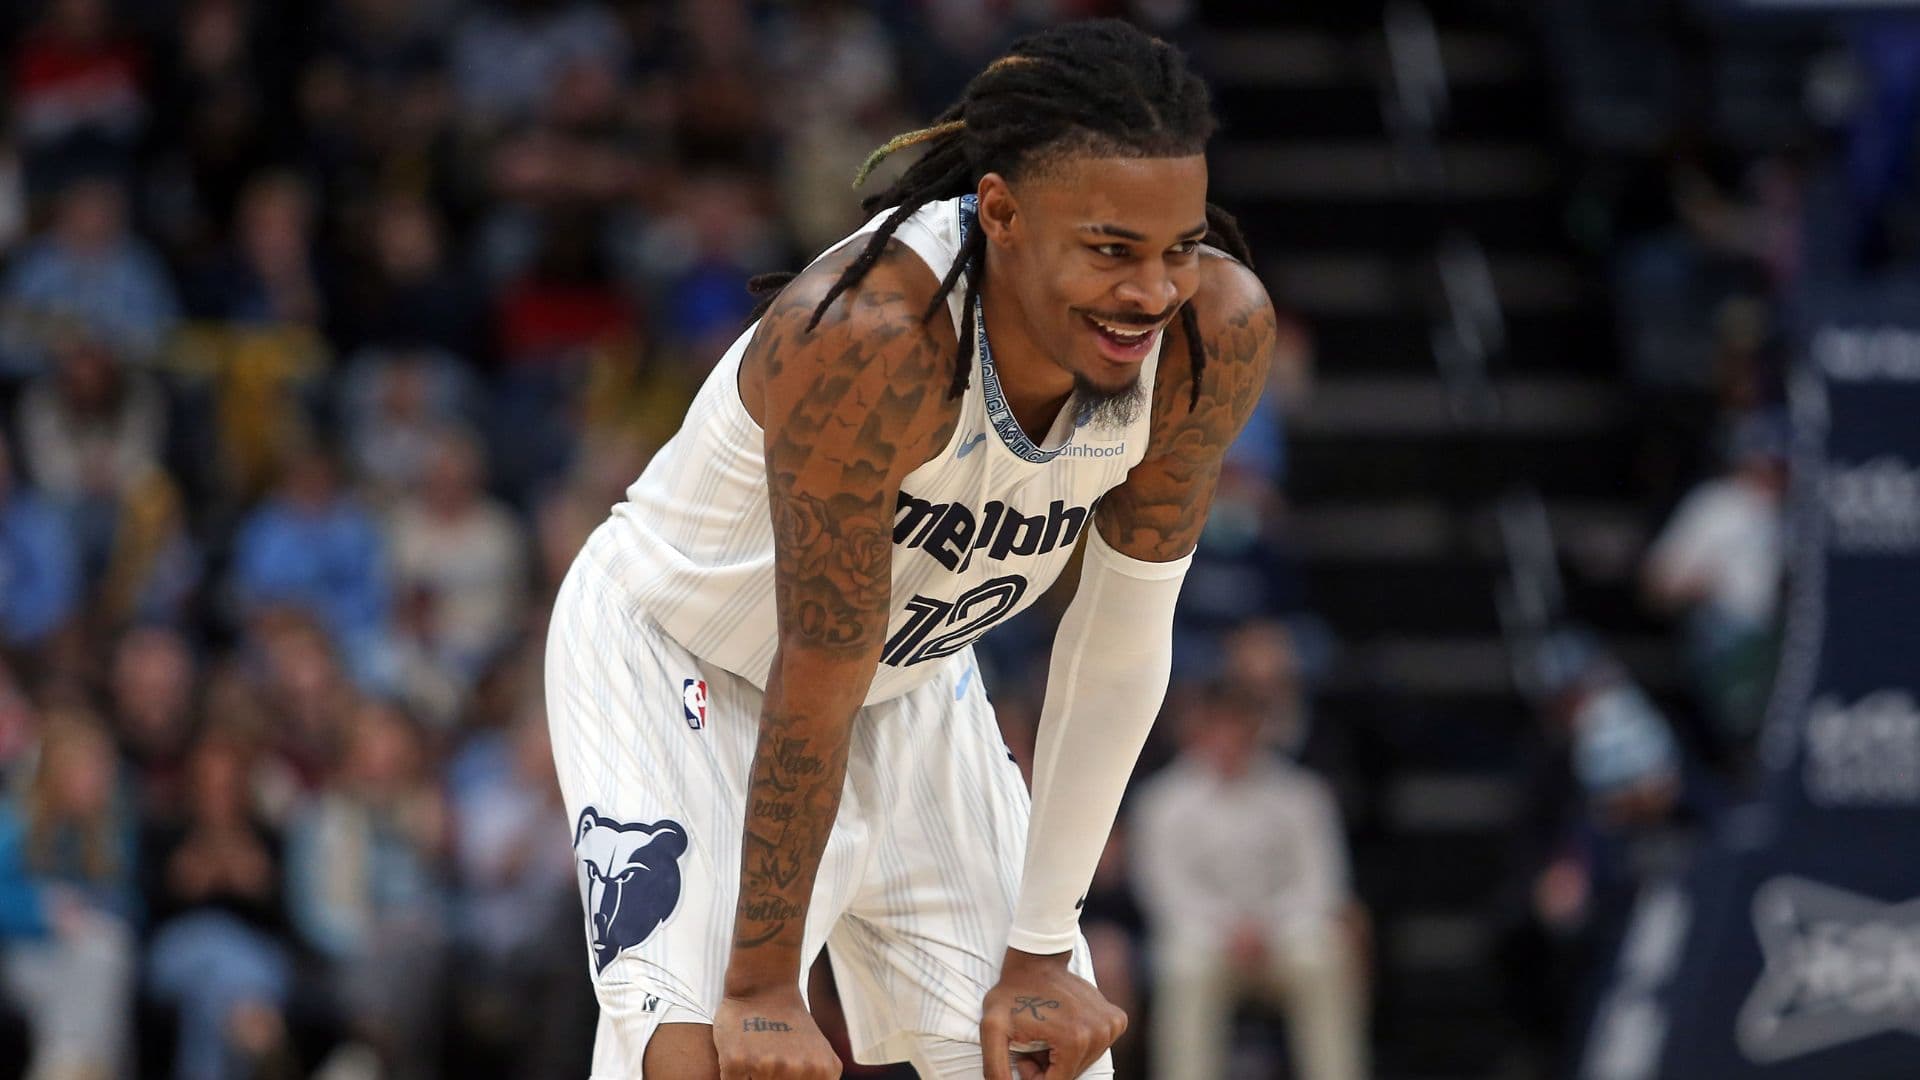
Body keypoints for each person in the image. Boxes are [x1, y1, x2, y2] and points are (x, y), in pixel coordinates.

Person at [544, 20, 1276, 1080]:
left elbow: (1119, 642)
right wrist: (759, 986)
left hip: (905, 679)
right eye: (1112, 250)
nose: (1151, 293)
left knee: (1036, 1055)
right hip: (681, 658)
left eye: (1179, 247)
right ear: (1002, 212)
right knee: (703, 1063)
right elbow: (819, 661)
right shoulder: (875, 336)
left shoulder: (1213, 336)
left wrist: (1039, 951)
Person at [1131, 679, 1367, 1080]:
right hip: (1206, 939)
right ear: (1200, 728)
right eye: (1220, 725)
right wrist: (1229, 929)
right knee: (1183, 969)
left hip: (1286, 935)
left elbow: (1320, 882)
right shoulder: (1163, 801)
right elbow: (1166, 891)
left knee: (1325, 959)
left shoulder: (1301, 794)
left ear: (1259, 728)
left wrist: (1268, 927)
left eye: (1240, 725)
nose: (1230, 738)